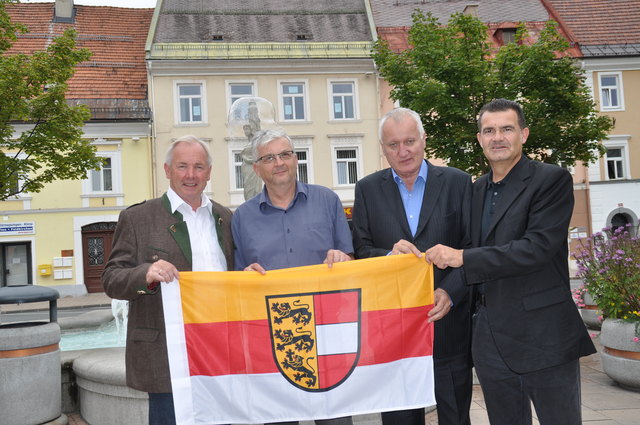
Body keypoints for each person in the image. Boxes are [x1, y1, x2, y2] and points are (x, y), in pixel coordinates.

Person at [426, 98, 597, 425]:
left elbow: (536, 248)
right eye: (489, 130)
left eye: (507, 129)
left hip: (544, 337)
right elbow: (474, 250)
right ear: (479, 139)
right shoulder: (476, 190)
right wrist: (449, 292)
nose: (497, 137)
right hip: (490, 342)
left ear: (524, 134)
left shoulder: (551, 180)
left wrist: (461, 257)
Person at [351, 108, 473, 425]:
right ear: (383, 148)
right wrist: (387, 256)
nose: (403, 151)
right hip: (393, 335)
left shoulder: (459, 183)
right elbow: (360, 250)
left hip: (448, 328)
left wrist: (451, 291)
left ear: (423, 140)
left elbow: (473, 248)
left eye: (409, 141)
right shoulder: (366, 189)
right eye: (393, 144)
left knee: (455, 417)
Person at [103, 135, 234, 425]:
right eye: (182, 166)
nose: (191, 175)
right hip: (166, 355)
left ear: (209, 172)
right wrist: (145, 274)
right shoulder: (138, 218)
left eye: (199, 167)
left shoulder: (225, 218)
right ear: (167, 170)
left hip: (218, 353)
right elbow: (111, 279)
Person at [232, 129, 353, 425]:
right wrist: (244, 276)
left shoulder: (328, 201)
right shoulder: (241, 217)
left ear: (296, 159)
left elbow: (350, 260)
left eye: (285, 154)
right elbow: (237, 278)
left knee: (334, 421)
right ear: (256, 168)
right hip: (272, 339)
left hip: (326, 333)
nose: (279, 163)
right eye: (269, 157)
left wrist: (343, 259)